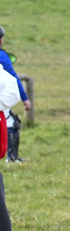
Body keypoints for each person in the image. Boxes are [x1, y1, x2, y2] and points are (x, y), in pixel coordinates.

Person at [0, 26, 28, 163]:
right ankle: (11, 158)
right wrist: (25, 98)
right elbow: (13, 78)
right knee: (11, 122)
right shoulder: (1, 56)